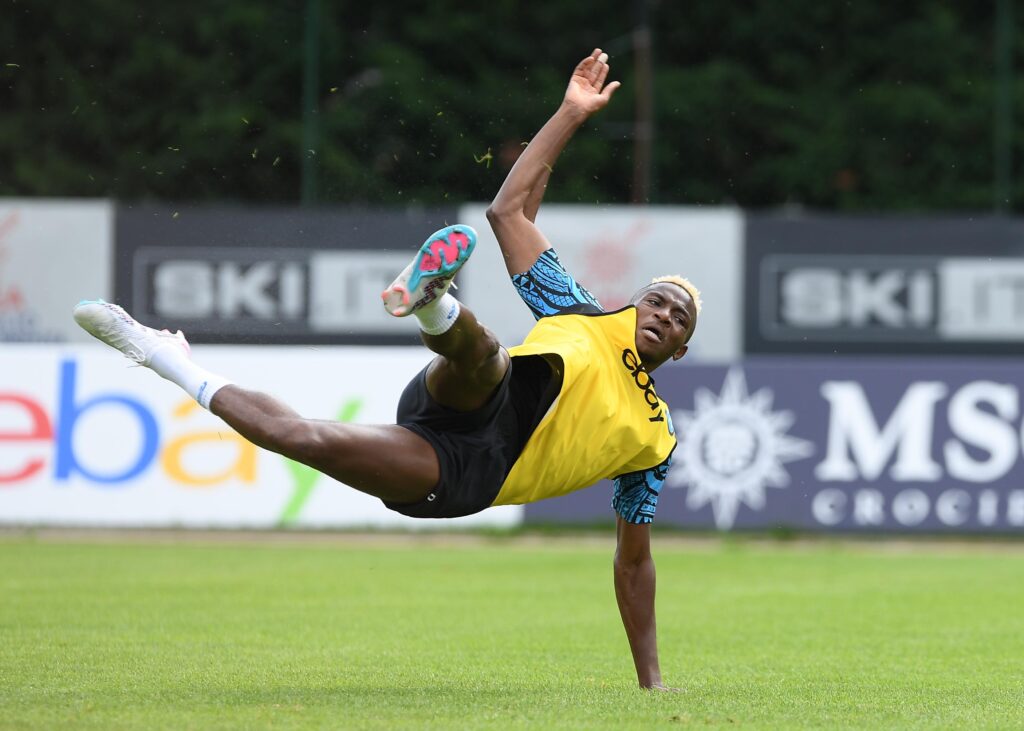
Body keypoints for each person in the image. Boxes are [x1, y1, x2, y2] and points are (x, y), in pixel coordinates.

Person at [73, 48, 699, 691]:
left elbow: (633, 561)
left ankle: (163, 356)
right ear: (633, 303)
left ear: (679, 350)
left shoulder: (655, 439)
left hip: (463, 472)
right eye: (658, 300)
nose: (666, 315)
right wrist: (569, 113)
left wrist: (651, 682)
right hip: (474, 392)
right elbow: (508, 213)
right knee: (488, 359)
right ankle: (434, 303)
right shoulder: (580, 311)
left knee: (302, 439)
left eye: (680, 319)